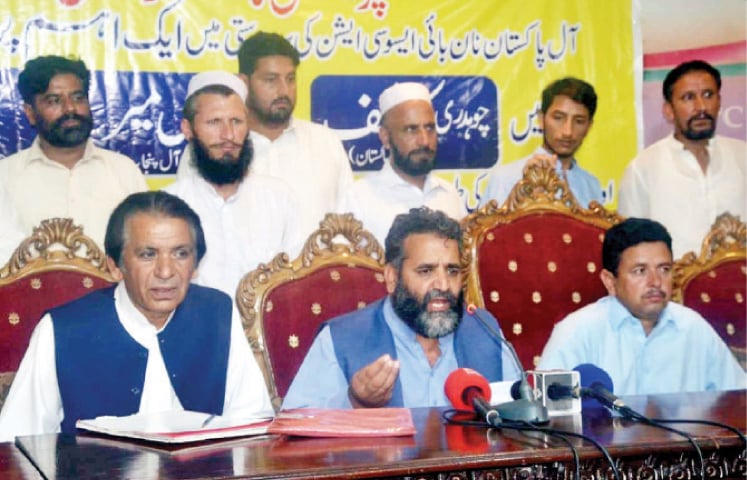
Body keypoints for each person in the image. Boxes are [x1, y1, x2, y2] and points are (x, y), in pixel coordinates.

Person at [0, 191, 274, 441]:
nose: (166, 272)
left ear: (195, 265)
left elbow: (251, 423)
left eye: (180, 254)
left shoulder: (217, 313)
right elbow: (17, 443)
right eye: (147, 254)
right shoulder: (62, 329)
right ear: (115, 267)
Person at [282, 207, 521, 409]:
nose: (443, 285)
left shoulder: (484, 330)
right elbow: (295, 431)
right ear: (392, 278)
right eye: (426, 271)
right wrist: (354, 402)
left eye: (452, 271)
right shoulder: (341, 338)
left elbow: (521, 418)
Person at [537, 217, 745, 395]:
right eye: (640, 271)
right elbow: (546, 417)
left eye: (664, 269)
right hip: (604, 443)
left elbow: (738, 402)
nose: (655, 282)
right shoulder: (577, 333)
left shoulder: (693, 328)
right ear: (610, 281)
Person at [178, 31, 354, 238]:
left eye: (290, 79)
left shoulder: (326, 143)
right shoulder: (211, 151)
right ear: (244, 82)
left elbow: (348, 224)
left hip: (318, 269)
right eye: (271, 80)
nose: (284, 91)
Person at [165, 71, 301, 297]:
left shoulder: (280, 198)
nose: (228, 135)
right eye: (214, 122)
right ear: (187, 129)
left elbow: (297, 281)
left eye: (236, 122)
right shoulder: (168, 206)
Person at [0, 55, 147, 248]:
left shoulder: (123, 171)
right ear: (30, 113)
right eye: (54, 100)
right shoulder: (5, 176)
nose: (70, 108)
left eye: (78, 98)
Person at [618, 60, 746, 258]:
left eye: (708, 95)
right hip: (677, 286)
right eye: (688, 98)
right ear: (668, 110)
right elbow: (629, 250)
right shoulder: (642, 169)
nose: (701, 107)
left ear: (719, 101)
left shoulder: (742, 156)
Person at [341, 82, 466, 246]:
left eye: (429, 128)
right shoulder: (359, 199)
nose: (424, 141)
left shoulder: (449, 194)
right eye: (411, 130)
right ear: (385, 137)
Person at [481, 77, 603, 208]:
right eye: (558, 118)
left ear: (589, 126)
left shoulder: (591, 185)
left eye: (579, 121)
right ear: (541, 119)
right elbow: (488, 227)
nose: (568, 131)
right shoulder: (506, 178)